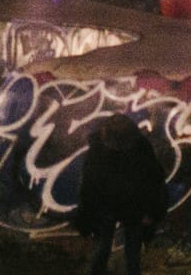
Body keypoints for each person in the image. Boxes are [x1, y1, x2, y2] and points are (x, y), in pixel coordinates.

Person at [71, 115, 168, 275]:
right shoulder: (137, 147)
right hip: (123, 206)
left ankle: (101, 270)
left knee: (116, 250)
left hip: (124, 206)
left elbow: (154, 182)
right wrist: (152, 212)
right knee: (116, 250)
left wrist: (151, 212)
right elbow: (155, 182)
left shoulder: (101, 149)